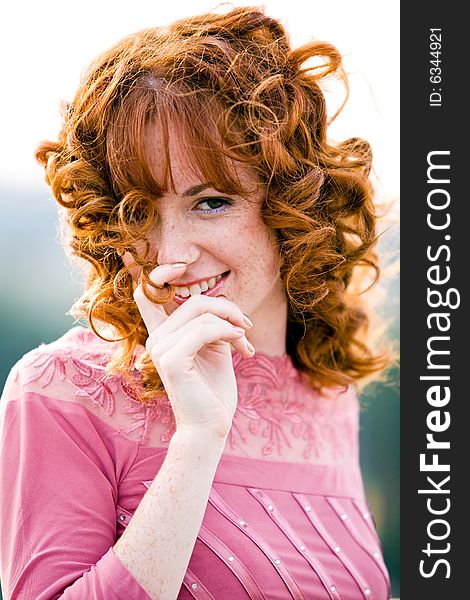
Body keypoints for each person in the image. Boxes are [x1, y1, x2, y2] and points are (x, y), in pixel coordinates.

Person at [0, 6, 394, 599]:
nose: (171, 253)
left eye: (210, 201)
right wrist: (197, 439)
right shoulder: (62, 391)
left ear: (293, 205)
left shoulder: (324, 391)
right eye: (137, 211)